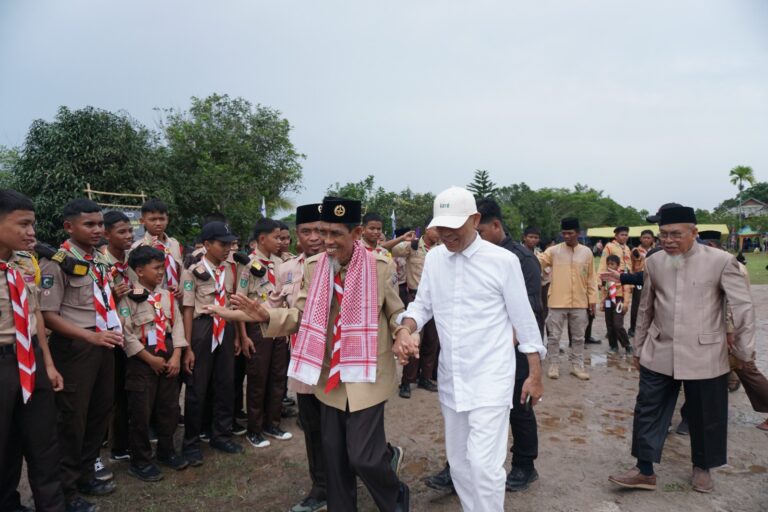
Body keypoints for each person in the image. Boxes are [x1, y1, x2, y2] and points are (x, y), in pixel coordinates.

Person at [208, 197, 410, 512]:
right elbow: (299, 316)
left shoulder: (379, 265)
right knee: (334, 457)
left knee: (364, 456)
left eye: (334, 234)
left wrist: (403, 333)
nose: (325, 242)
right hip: (329, 377)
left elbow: (395, 312)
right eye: (321, 232)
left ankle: (395, 497)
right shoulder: (314, 268)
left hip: (367, 374)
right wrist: (262, 315)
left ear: (356, 234)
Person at [395, 187, 545, 511]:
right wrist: (406, 329)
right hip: (453, 377)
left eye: (454, 226)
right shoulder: (435, 259)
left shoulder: (503, 261)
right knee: (459, 462)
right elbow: (422, 306)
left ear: (475, 220)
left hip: (492, 376)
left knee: (484, 465)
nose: (446, 234)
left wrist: (535, 374)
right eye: (441, 227)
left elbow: (525, 321)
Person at [608, 206, 755, 493]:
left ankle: (703, 468)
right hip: (659, 349)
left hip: (705, 353)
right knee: (647, 409)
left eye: (676, 234)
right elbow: (647, 307)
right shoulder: (655, 262)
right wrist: (638, 347)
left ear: (694, 233)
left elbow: (742, 308)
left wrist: (743, 351)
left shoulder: (721, 261)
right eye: (663, 234)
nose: (668, 240)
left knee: (705, 414)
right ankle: (644, 470)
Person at [40, 199, 124, 509]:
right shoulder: (55, 262)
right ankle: (67, 489)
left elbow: (103, 298)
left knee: (99, 412)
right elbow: (48, 315)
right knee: (72, 419)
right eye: (89, 224)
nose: (98, 230)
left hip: (103, 342)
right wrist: (91, 336)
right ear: (69, 227)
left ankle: (87, 473)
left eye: (100, 224)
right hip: (76, 347)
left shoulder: (98, 260)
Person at [0, 190, 67, 512]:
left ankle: (52, 506)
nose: (32, 233)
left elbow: (35, 314)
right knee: (4, 445)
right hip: (2, 362)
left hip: (32, 360)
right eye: (23, 224)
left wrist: (49, 364)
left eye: (33, 224)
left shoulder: (25, 263)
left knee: (44, 442)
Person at [475, 198, 543, 492]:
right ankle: (458, 467)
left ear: (496, 225)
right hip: (478, 347)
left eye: (478, 231)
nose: (472, 238)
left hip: (513, 349)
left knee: (519, 406)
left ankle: (525, 466)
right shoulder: (472, 255)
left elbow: (529, 309)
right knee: (472, 408)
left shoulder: (522, 259)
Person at [268, 204, 328, 512]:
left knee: (348, 426)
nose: (315, 237)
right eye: (307, 231)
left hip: (335, 363)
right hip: (303, 362)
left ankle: (380, 457)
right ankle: (320, 486)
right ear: (296, 235)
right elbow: (275, 306)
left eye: (321, 230)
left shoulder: (341, 264)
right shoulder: (287, 269)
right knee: (312, 425)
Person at [119, 246, 188, 482]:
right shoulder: (128, 297)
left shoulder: (166, 296)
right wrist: (149, 359)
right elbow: (125, 333)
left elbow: (177, 324)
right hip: (142, 359)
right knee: (141, 411)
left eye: (162, 267)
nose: (161, 272)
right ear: (139, 271)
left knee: (168, 408)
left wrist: (177, 355)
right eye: (156, 268)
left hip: (168, 354)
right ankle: (140, 460)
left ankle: (167, 451)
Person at [180, 221, 244, 465]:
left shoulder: (230, 269)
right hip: (202, 328)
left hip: (225, 327)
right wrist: (187, 346)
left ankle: (221, 434)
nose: (227, 248)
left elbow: (232, 302)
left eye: (229, 243)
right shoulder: (192, 270)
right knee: (197, 388)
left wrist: (237, 335)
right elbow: (187, 309)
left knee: (225, 383)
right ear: (207, 245)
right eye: (222, 244)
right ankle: (191, 443)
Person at [238, 218, 292, 448]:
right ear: (262, 239)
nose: (281, 242)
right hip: (257, 329)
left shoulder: (281, 264)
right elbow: (239, 303)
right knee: (258, 379)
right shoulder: (248, 265)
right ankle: (254, 429)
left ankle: (273, 423)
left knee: (278, 377)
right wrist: (243, 336)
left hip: (280, 326)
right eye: (276, 237)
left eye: (282, 237)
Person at [538, 218, 597, 381]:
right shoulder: (553, 251)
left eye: (570, 233)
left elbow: (592, 278)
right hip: (557, 301)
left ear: (578, 233)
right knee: (554, 336)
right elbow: (539, 262)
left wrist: (592, 300)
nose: (566, 236)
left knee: (579, 337)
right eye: (564, 233)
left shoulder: (587, 252)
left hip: (580, 301)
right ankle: (553, 365)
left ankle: (577, 366)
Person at [391, 226, 441, 399]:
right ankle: (406, 381)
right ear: (427, 230)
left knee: (431, 342)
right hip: (416, 299)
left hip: (436, 302)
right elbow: (391, 249)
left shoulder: (441, 249)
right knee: (413, 342)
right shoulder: (412, 246)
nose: (439, 234)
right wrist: (403, 238)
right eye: (436, 230)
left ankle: (425, 378)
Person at [102, 211, 135, 464]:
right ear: (107, 234)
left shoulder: (132, 261)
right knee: (113, 392)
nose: (128, 236)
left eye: (130, 231)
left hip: (133, 332)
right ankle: (115, 443)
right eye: (121, 232)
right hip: (110, 337)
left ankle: (125, 438)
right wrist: (111, 295)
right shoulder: (101, 264)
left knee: (129, 388)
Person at [130, 198, 183, 298]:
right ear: (142, 221)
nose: (158, 223)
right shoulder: (138, 248)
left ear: (167, 219)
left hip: (177, 298)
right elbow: (135, 281)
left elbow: (181, 271)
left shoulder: (174, 244)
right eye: (152, 219)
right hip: (152, 300)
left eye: (162, 219)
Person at [600, 255, 631, 355]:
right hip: (609, 301)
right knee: (609, 324)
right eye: (608, 264)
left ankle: (627, 345)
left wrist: (626, 303)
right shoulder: (605, 277)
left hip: (619, 300)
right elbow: (604, 290)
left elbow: (627, 290)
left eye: (612, 264)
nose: (610, 266)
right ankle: (613, 346)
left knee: (618, 324)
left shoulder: (622, 276)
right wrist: (602, 302)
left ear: (617, 265)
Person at [628, 229, 656, 337]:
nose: (646, 239)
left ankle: (649, 327)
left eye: (648, 238)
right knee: (637, 304)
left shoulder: (656, 250)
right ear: (640, 239)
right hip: (638, 279)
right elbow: (630, 265)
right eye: (644, 237)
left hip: (652, 278)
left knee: (652, 304)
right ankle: (633, 327)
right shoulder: (635, 251)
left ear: (652, 239)